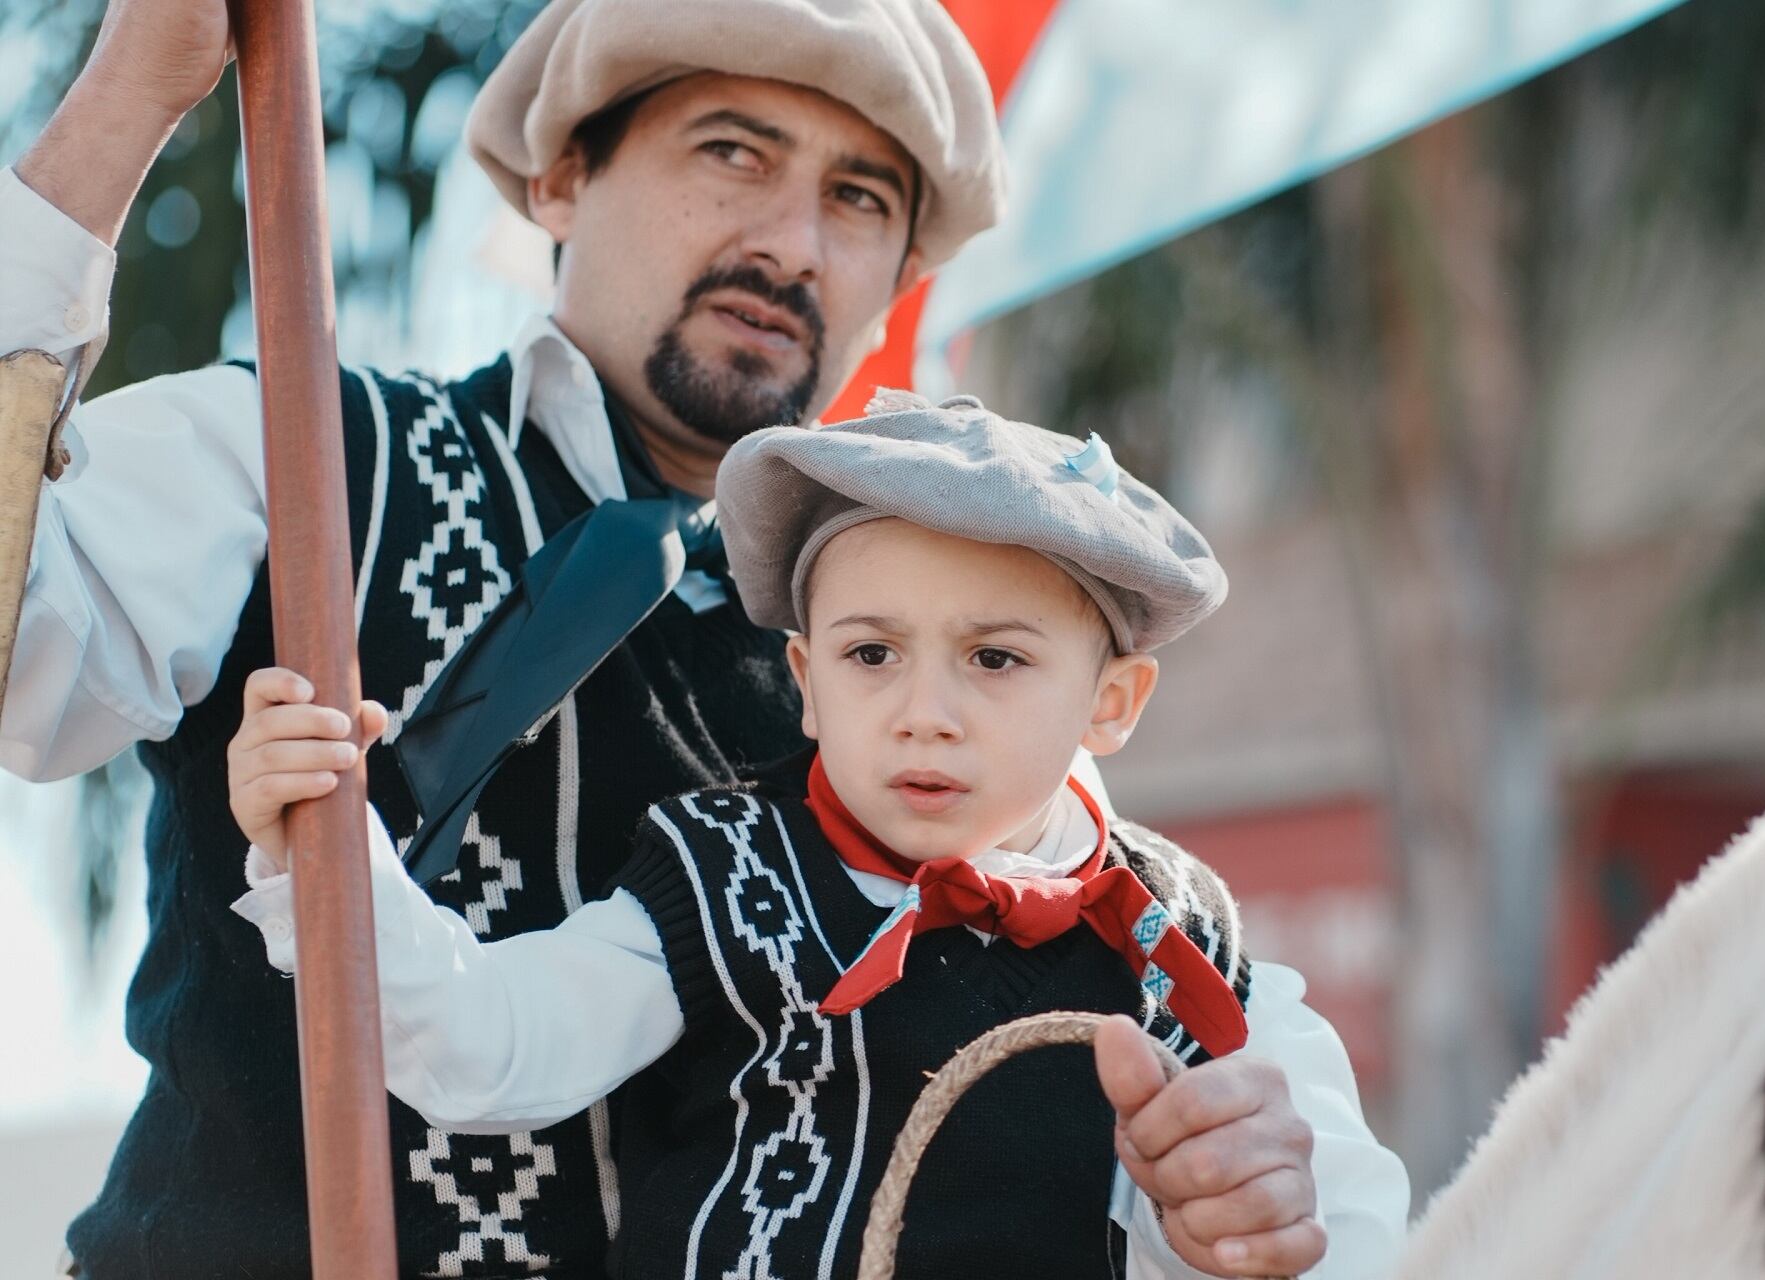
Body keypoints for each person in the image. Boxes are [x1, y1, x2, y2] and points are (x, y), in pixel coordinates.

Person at [2, 0, 1018, 1273]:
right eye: (734, 153)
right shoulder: (306, 463)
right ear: (561, 177)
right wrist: (129, 99)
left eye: (862, 199)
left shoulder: (910, 666)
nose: (795, 243)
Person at [226, 393, 1411, 1279]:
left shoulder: (1176, 935)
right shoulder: (729, 867)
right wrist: (326, 853)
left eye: (995, 657)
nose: (923, 709)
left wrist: (1234, 1216)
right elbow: (492, 1043)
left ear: (1112, 702)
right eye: (870, 653)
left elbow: (1341, 1214)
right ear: (803, 679)